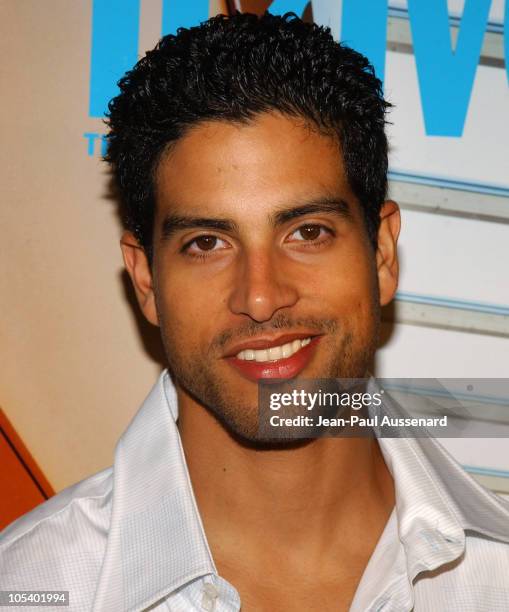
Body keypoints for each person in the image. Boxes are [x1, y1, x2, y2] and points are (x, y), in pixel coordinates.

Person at [1, 12, 508, 612]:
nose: (262, 298)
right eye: (207, 244)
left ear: (381, 254)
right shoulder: (27, 590)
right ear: (145, 279)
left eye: (308, 232)